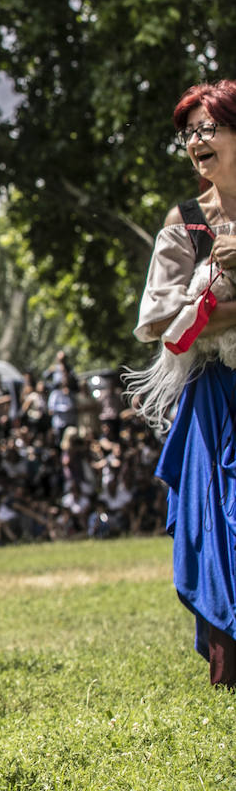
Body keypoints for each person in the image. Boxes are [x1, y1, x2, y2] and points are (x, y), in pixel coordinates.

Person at [129, 79, 236, 687]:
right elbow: (161, 324)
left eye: (208, 127)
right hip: (217, 395)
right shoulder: (187, 223)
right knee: (225, 520)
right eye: (188, 131)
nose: (195, 140)